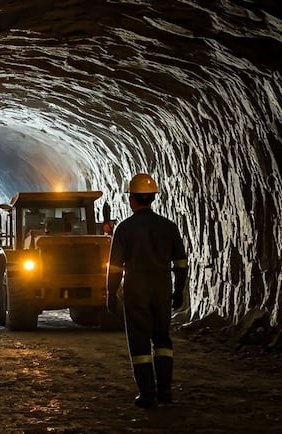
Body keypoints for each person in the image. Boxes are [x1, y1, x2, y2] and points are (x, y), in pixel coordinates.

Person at [107, 173, 188, 408]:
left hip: (137, 290)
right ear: (152, 198)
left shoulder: (125, 228)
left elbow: (114, 267)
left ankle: (147, 395)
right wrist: (178, 290)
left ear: (132, 199)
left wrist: (110, 293)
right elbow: (181, 263)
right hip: (162, 287)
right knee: (163, 339)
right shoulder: (169, 227)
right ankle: (165, 392)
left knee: (140, 341)